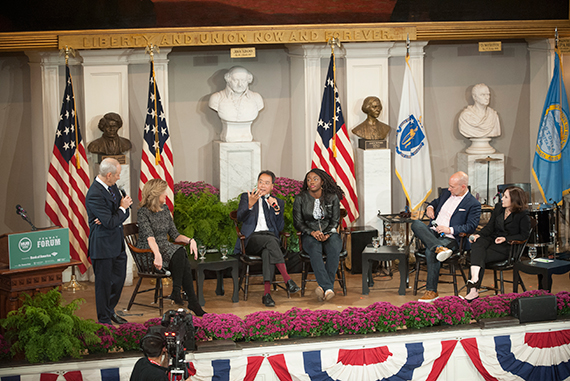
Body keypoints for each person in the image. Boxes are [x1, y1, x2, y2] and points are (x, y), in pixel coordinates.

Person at [137, 179, 206, 316]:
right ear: (156, 194)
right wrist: (157, 254)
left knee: (181, 254)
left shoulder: (165, 209)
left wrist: (190, 240)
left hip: (165, 247)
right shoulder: (143, 213)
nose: (166, 195)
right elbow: (150, 238)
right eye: (163, 192)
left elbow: (175, 235)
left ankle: (180, 293)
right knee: (180, 253)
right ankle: (189, 300)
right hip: (149, 250)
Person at [411, 171, 481, 302]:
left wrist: (449, 229)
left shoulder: (473, 204)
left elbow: (471, 226)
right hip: (433, 232)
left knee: (430, 250)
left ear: (463, 187)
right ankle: (438, 247)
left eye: (452, 187)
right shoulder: (447, 194)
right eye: (449, 186)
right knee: (416, 223)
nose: (449, 189)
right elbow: (435, 202)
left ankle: (431, 291)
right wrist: (430, 207)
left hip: (451, 238)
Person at [233, 170, 300, 307]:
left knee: (267, 252)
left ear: (272, 186)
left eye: (266, 183)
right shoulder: (247, 197)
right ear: (257, 183)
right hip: (252, 239)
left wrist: (276, 210)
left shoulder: (278, 202)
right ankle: (287, 279)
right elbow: (240, 217)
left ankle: (267, 295)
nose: (262, 185)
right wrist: (250, 205)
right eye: (260, 182)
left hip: (269, 240)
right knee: (271, 242)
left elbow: (280, 227)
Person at [86, 157, 133, 325]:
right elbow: (112, 220)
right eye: (117, 175)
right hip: (103, 246)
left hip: (117, 244)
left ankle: (110, 310)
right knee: (104, 285)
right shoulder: (94, 194)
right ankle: (104, 320)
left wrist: (118, 212)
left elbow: (125, 212)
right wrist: (119, 210)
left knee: (118, 281)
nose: (119, 178)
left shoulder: (113, 187)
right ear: (109, 175)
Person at [465, 186, 531, 301]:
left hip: (507, 247)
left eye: (505, 197)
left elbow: (524, 236)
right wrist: (478, 234)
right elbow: (490, 227)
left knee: (478, 255)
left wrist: (506, 239)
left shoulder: (522, 214)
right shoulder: (499, 208)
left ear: (514, 200)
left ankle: (473, 290)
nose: (502, 199)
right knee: (477, 242)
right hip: (492, 240)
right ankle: (474, 279)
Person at [293, 168, 344, 302]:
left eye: (315, 179)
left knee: (334, 247)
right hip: (309, 234)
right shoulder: (300, 198)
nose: (311, 182)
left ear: (322, 181)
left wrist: (326, 234)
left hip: (329, 233)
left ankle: (324, 287)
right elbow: (298, 222)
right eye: (309, 179)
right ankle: (328, 288)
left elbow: (335, 221)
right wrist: (312, 232)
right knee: (314, 250)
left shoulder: (332, 197)